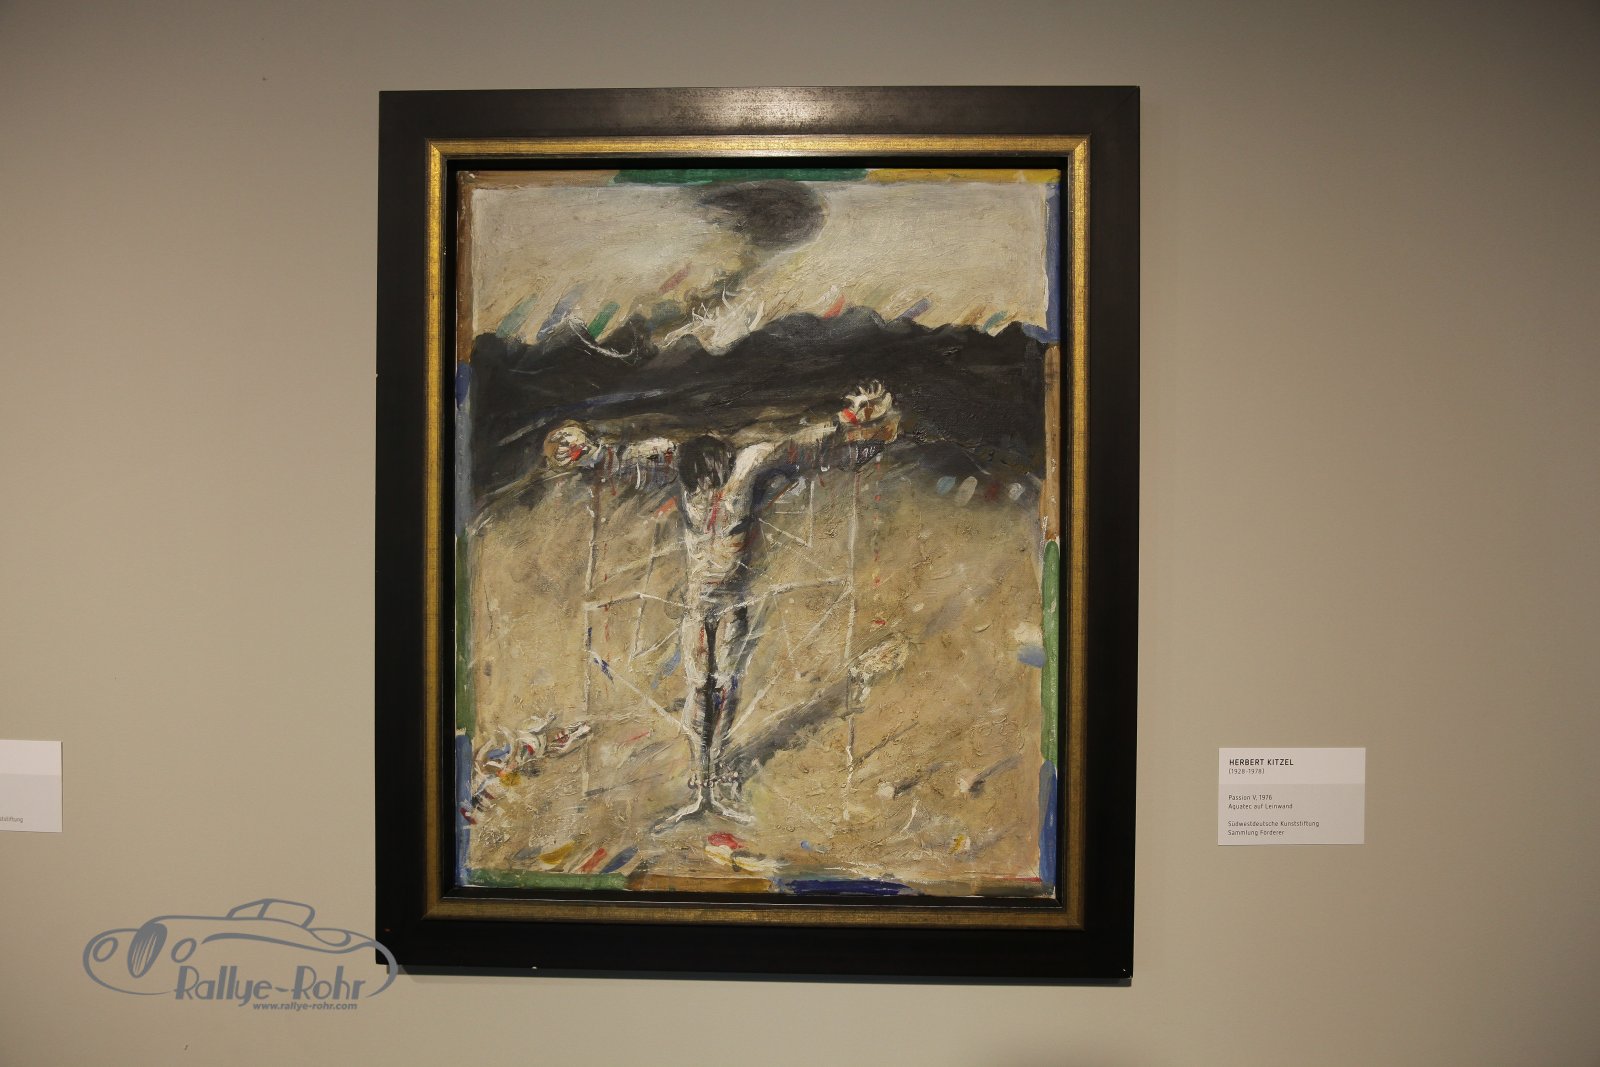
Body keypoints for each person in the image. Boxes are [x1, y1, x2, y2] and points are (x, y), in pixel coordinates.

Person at [543, 383, 900, 826]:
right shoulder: (675, 459)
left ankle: (717, 769)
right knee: (698, 687)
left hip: (732, 602)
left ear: (722, 468)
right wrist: (585, 452)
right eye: (697, 488)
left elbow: (799, 443)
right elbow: (622, 458)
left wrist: (849, 418)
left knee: (725, 685)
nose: (705, 495)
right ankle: (702, 782)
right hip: (697, 605)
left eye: (711, 485)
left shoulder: (749, 463)